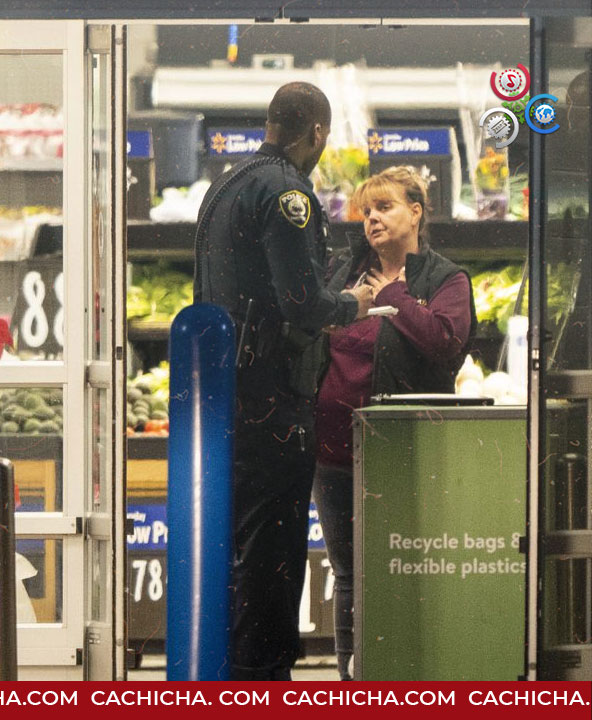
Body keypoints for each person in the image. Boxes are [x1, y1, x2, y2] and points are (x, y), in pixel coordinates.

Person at [194, 82, 374, 680]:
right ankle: (263, 680)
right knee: (273, 555)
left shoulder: (227, 183)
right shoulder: (287, 193)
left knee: (236, 550)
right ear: (317, 132)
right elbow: (301, 302)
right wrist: (352, 304)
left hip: (227, 395)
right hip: (274, 400)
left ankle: (234, 675)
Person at [314, 166, 476, 680]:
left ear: (416, 211)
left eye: (384, 208)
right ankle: (350, 683)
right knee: (349, 576)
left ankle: (407, 679)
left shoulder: (444, 279)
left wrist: (398, 299)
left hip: (403, 450)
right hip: (334, 453)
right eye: (366, 211)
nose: (372, 220)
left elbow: (447, 344)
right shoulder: (342, 272)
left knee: (404, 570)